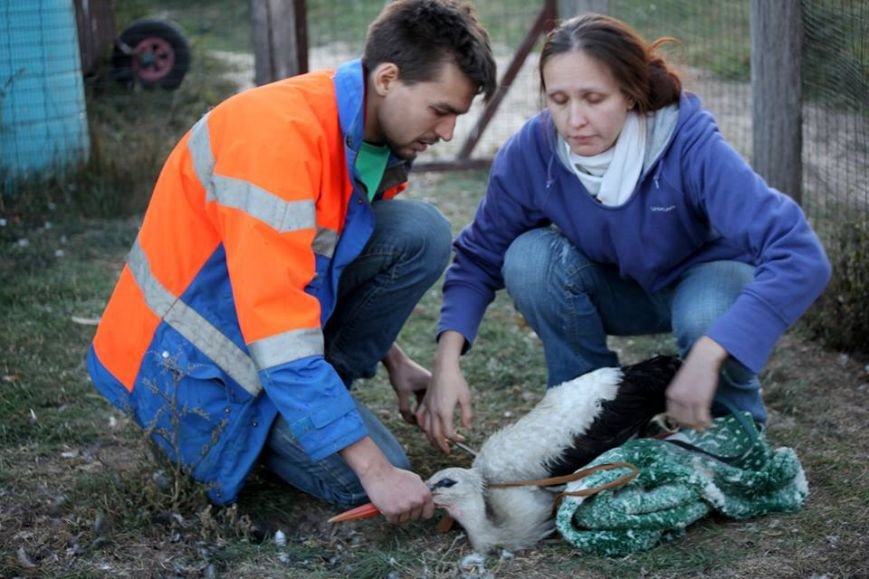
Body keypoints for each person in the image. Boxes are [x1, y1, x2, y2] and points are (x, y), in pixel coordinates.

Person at [87, 0, 496, 523]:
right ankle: (269, 428)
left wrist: (396, 362)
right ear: (388, 78)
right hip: (185, 374)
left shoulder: (365, 136)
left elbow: (322, 267)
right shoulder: (279, 143)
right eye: (441, 111)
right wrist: (373, 470)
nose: (446, 133)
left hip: (262, 336)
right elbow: (277, 326)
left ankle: (312, 407)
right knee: (377, 476)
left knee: (421, 233)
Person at [416, 13, 831, 453]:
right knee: (528, 256)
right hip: (620, 289)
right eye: (559, 100)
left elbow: (800, 255)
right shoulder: (534, 152)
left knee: (706, 314)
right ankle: (592, 417)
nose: (574, 119)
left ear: (631, 95)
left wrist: (711, 352)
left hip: (706, 282)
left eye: (594, 98)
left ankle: (733, 431)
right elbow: (479, 257)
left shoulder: (688, 144)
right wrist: (446, 364)